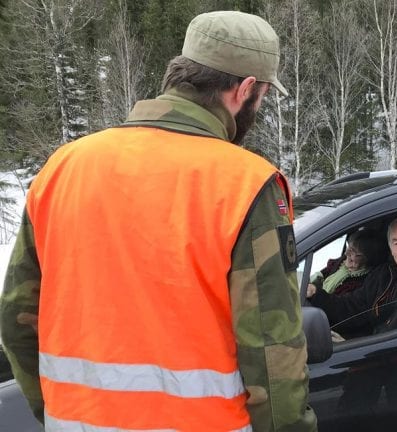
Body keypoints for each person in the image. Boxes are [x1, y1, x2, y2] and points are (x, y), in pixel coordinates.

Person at [0, 11, 316, 432]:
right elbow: (271, 348)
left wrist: (55, 411)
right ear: (244, 90)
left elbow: (18, 318)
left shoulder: (64, 167)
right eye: (262, 97)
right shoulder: (245, 183)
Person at [307, 215, 397, 336]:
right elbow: (351, 307)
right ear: (390, 247)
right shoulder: (384, 274)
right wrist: (315, 294)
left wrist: (354, 347)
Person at [307, 228, 386, 296]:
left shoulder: (361, 285)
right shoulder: (341, 262)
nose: (346, 253)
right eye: (348, 247)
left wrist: (315, 292)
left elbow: (337, 305)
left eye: (353, 251)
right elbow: (325, 272)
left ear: (367, 258)